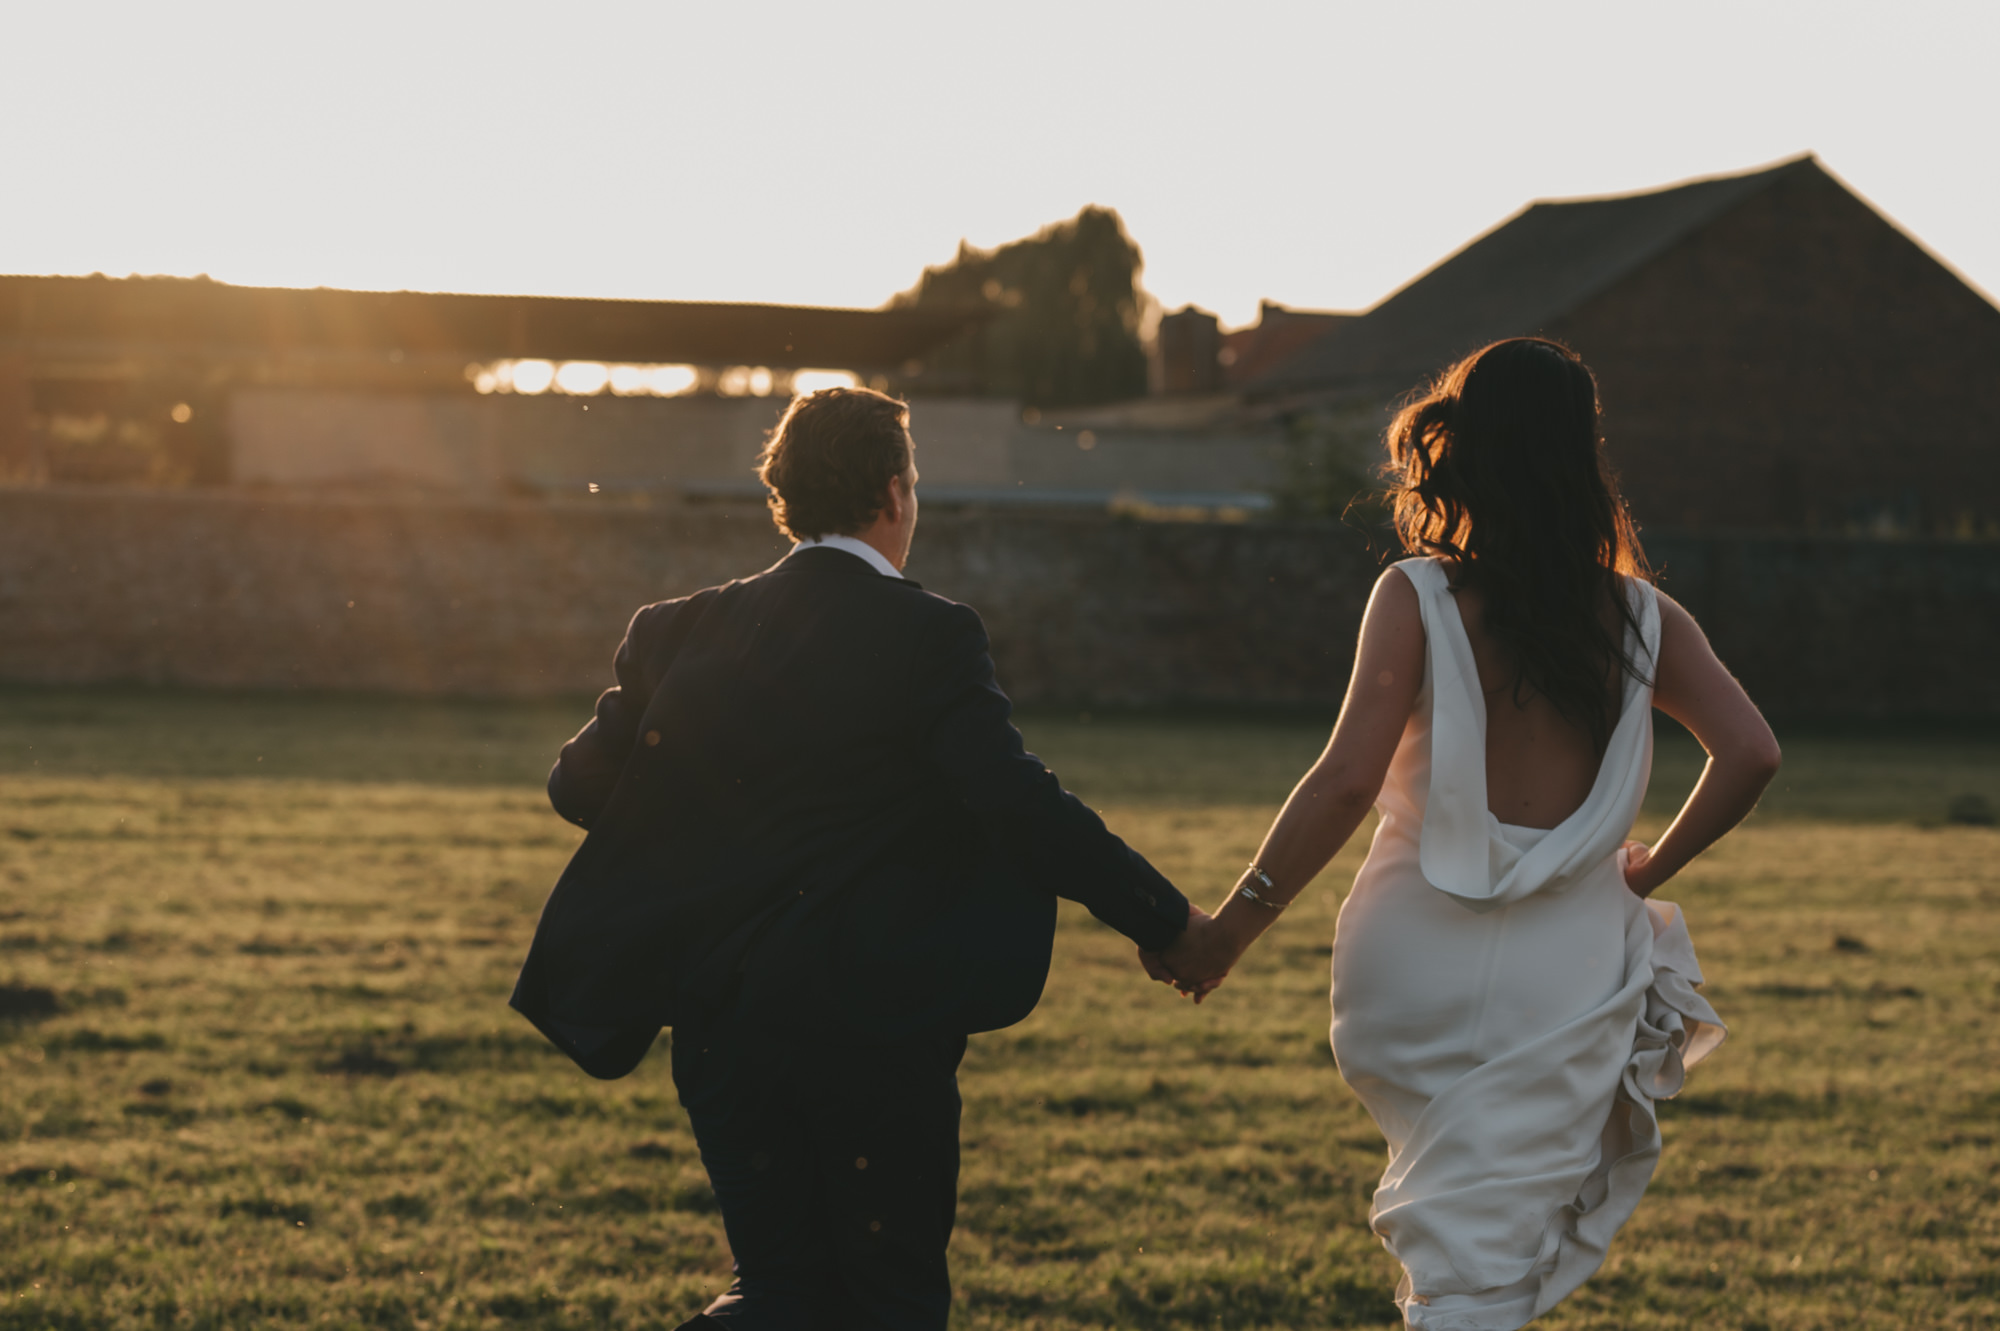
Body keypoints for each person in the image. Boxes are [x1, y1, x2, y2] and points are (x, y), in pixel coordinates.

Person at [510, 386, 1218, 1330]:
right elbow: (1015, 801)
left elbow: (577, 787)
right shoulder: (928, 633)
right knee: (891, 1297)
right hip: (874, 1028)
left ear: (786, 498)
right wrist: (1169, 922)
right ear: (893, 494)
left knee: (781, 1283)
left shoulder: (676, 629)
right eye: (913, 487)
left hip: (720, 1026)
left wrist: (713, 822)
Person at [1147, 338, 1779, 1329]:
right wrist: (1651, 864)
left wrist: (1230, 927)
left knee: (1452, 1248)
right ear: (1582, 455)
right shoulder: (1644, 618)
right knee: (1482, 1259)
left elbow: (1346, 777)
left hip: (1408, 959)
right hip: (1557, 976)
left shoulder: (1415, 594)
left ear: (1468, 449)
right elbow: (1749, 751)